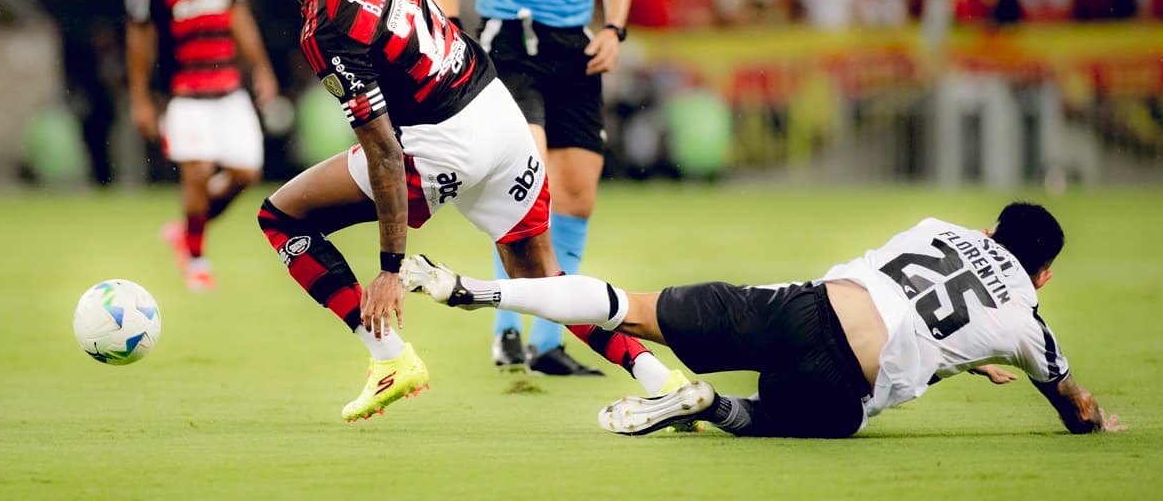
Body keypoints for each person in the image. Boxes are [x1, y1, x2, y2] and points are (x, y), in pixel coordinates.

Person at [70, 0, 686, 422]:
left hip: (440, 141)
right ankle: (666, 384)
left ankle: (390, 360)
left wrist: (390, 266)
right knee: (544, 282)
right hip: (497, 113)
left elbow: (386, 154)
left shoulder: (326, 28)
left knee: (282, 219)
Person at [401, 202, 1125, 437]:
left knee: (630, 306)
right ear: (1045, 274)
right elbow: (1074, 407)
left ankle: (474, 290)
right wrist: (1091, 419)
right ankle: (709, 405)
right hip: (844, 388)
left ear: (991, 228)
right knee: (767, 418)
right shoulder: (1028, 319)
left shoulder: (935, 227)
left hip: (800, 308)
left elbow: (918, 293)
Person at [428, 0, 633, 375]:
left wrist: (615, 29)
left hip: (575, 47)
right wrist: (450, 28)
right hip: (506, 45)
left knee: (577, 195)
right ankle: (506, 329)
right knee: (529, 183)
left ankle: (549, 344)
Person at [125, 0, 278, 291]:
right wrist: (140, 96)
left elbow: (238, 16)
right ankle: (195, 257)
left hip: (229, 87)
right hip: (184, 92)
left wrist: (261, 67)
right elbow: (139, 34)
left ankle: (186, 228)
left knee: (246, 173)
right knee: (198, 172)